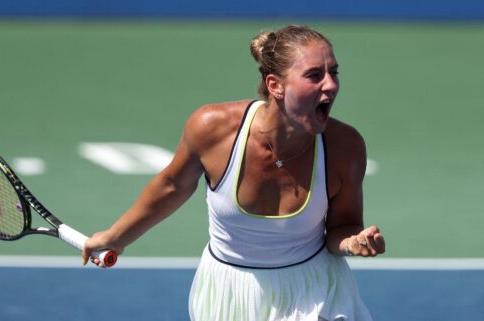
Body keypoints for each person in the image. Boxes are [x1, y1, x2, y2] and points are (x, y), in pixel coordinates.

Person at [82, 24, 385, 321]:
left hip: (313, 290)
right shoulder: (213, 129)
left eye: (334, 72)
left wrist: (352, 242)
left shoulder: (345, 147)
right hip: (230, 294)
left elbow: (342, 228)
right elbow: (171, 186)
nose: (330, 85)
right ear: (274, 85)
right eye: (314, 75)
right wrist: (115, 237)